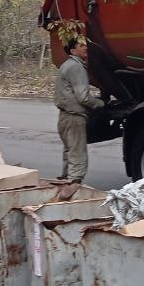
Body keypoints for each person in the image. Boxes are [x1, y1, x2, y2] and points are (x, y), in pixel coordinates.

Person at [54, 36, 103, 196]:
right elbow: (83, 97)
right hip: (75, 117)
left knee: (69, 152)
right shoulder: (77, 67)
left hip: (64, 117)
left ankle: (63, 183)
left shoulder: (65, 65)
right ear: (73, 50)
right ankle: (72, 189)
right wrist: (101, 104)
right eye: (81, 45)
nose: (85, 48)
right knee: (77, 154)